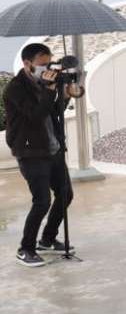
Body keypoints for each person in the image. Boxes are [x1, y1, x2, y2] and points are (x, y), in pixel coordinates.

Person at [3, 43, 84, 267]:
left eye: (49, 63)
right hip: (30, 151)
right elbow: (36, 115)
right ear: (27, 63)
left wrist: (67, 91)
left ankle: (47, 240)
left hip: (53, 147)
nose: (46, 68)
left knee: (65, 195)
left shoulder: (49, 80)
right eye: (41, 64)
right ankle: (25, 249)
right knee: (41, 202)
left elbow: (55, 110)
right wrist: (49, 89)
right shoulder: (15, 89)